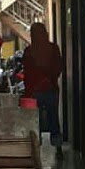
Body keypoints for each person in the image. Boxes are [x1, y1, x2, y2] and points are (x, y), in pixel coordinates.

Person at [23, 23, 63, 155]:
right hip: (51, 89)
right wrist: (49, 79)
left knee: (35, 120)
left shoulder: (29, 51)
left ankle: (36, 148)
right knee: (53, 118)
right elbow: (58, 67)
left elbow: (27, 73)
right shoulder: (53, 48)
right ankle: (58, 148)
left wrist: (31, 89)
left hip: (35, 91)